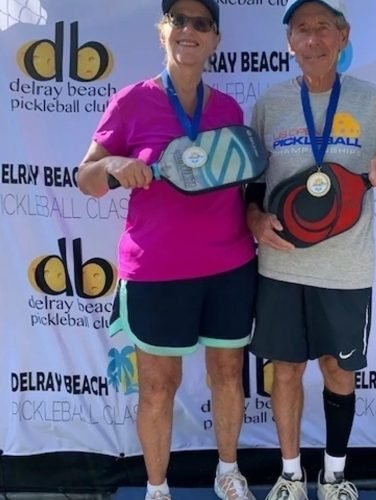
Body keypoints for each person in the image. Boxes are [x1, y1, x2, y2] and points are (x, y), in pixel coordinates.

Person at [245, 0, 376, 499]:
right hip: (281, 265)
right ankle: (289, 476)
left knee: (338, 372)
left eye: (323, 27)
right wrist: (255, 219)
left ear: (343, 37)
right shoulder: (269, 104)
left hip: (346, 270)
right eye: (301, 29)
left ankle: (333, 476)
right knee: (285, 371)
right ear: (289, 43)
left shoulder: (372, 101)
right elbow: (251, 186)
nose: (313, 38)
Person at [76, 1, 257, 499]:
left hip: (230, 266)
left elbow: (240, 187)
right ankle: (158, 489)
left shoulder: (228, 110)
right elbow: (84, 179)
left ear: (215, 40)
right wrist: (114, 165)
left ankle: (228, 473)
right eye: (179, 20)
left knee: (227, 376)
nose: (189, 31)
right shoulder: (131, 102)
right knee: (158, 388)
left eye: (202, 24)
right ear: (163, 33)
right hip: (155, 270)